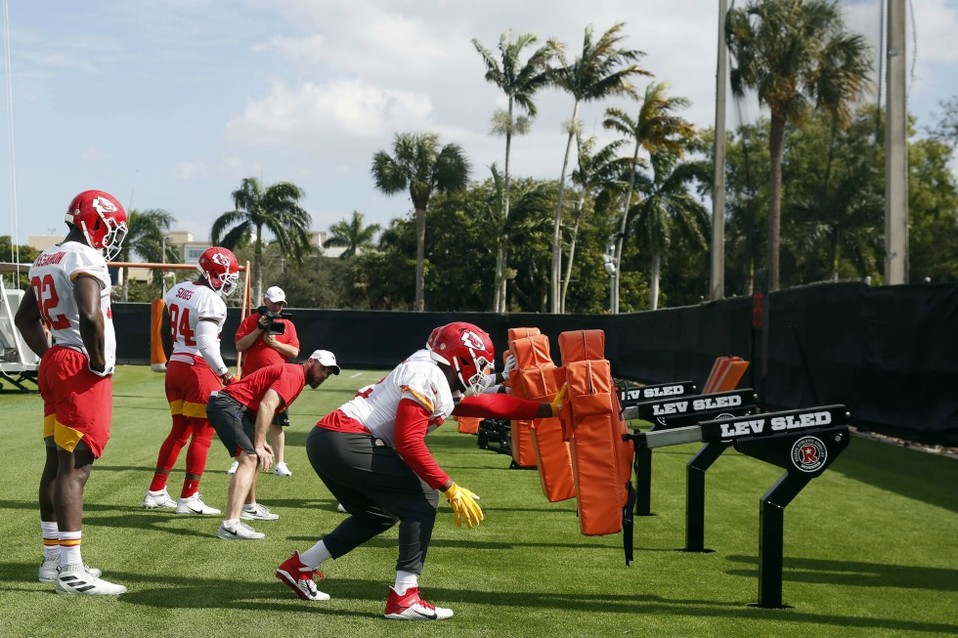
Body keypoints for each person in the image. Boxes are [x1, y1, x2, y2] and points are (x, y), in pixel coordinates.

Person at [274, 322, 565, 620]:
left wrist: (548, 410)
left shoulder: (434, 370)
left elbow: (487, 404)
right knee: (423, 498)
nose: (484, 371)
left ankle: (300, 567)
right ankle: (404, 598)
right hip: (346, 438)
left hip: (330, 441)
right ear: (459, 358)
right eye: (479, 363)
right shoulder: (428, 374)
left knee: (378, 515)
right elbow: (409, 441)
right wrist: (448, 486)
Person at [14, 189, 129, 595]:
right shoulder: (84, 256)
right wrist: (95, 361)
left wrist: (50, 354)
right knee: (75, 469)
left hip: (57, 360)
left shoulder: (47, 257)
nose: (112, 236)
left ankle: (53, 560)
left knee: (56, 462)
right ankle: (72, 571)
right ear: (94, 221)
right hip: (78, 365)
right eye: (111, 226)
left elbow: (24, 317)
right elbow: (90, 313)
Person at [141, 246, 240, 516]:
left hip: (177, 365)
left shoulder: (176, 290)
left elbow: (164, 330)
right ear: (214, 272)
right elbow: (207, 344)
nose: (228, 281)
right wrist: (225, 374)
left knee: (179, 431)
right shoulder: (211, 300)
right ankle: (189, 497)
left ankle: (156, 491)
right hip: (198, 368)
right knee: (203, 434)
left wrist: (175, 357)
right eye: (226, 275)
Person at [208, 350, 340, 540]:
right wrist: (260, 443)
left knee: (254, 456)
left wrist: (260, 442)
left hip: (237, 408)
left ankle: (249, 507)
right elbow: (267, 405)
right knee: (250, 458)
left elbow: (266, 407)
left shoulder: (296, 376)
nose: (324, 375)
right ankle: (229, 525)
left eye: (328, 373)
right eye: (323, 368)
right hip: (229, 405)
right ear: (311, 361)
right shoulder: (295, 375)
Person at [229, 285, 299, 477]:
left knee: (277, 423)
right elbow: (240, 345)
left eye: (280, 304)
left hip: (277, 381)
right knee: (244, 422)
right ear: (265, 301)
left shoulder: (288, 325)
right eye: (275, 303)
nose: (277, 307)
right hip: (251, 380)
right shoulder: (250, 321)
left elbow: (294, 351)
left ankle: (280, 463)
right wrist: (259, 329)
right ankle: (239, 460)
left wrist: (275, 343)